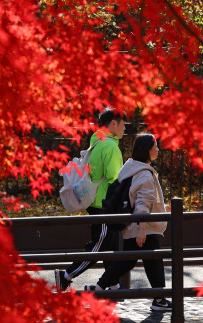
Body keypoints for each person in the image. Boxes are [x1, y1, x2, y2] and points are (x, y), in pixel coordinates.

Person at [83, 133, 173, 311]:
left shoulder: (132, 168)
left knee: (132, 260)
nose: (158, 149)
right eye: (155, 146)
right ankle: (159, 300)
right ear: (147, 150)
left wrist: (161, 208)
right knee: (151, 259)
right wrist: (142, 229)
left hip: (137, 225)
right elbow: (142, 204)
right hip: (144, 227)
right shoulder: (145, 174)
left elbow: (141, 200)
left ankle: (99, 289)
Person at [55, 107, 126, 291]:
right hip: (104, 204)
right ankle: (66, 276)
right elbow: (114, 178)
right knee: (99, 246)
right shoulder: (110, 145)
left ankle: (112, 283)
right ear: (113, 123)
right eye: (123, 124)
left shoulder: (97, 141)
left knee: (108, 245)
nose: (125, 128)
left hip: (95, 201)